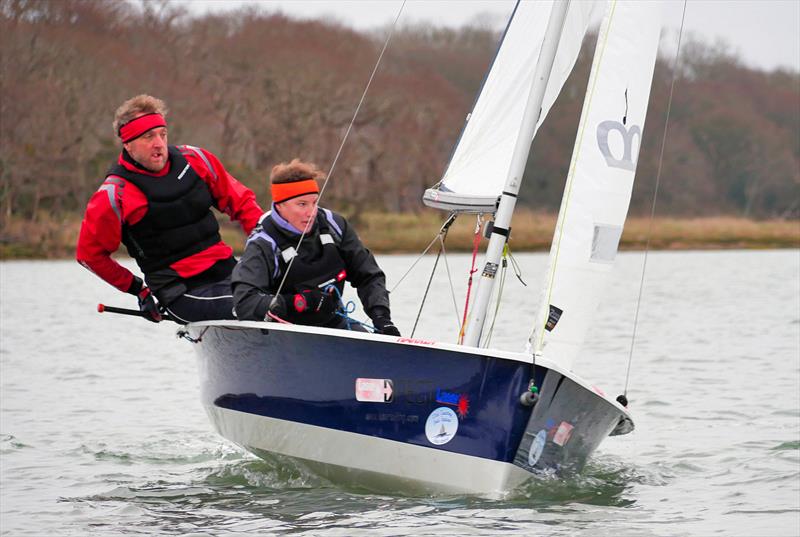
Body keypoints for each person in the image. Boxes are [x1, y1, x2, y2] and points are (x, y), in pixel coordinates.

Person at [76, 94, 263, 323]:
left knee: (299, 297)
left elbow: (243, 203)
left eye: (162, 134)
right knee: (257, 308)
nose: (159, 143)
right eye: (148, 137)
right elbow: (89, 255)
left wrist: (264, 252)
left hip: (227, 271)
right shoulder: (114, 195)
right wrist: (137, 289)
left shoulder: (197, 160)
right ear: (128, 144)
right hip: (181, 292)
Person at [232, 159, 401, 336]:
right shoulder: (263, 242)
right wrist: (299, 302)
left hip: (333, 324)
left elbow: (369, 276)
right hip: (282, 333)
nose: (311, 212)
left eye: (314, 202)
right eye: (302, 204)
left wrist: (382, 318)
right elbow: (245, 302)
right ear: (280, 205)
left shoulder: (335, 225)